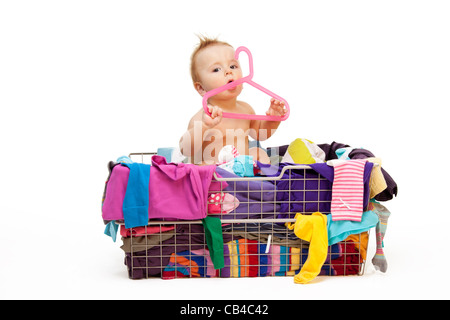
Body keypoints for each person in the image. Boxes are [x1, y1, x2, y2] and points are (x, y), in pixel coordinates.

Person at [179, 36, 287, 165]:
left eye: (233, 66)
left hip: (241, 174)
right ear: (201, 88)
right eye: (216, 69)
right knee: (201, 165)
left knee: (259, 152)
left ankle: (258, 181)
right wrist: (203, 126)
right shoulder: (203, 117)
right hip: (215, 177)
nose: (228, 71)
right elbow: (185, 149)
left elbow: (260, 134)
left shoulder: (246, 109)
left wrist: (273, 120)